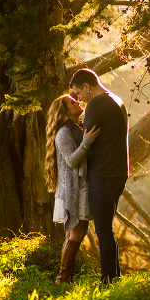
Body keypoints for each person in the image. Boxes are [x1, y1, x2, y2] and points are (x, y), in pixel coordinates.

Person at [69, 68, 129, 283]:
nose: (79, 99)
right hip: (117, 172)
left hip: (103, 173)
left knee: (103, 229)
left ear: (87, 86)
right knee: (107, 228)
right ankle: (114, 277)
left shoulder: (96, 103)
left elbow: (83, 139)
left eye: (78, 93)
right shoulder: (116, 100)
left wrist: (66, 122)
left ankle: (108, 280)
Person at [45, 94, 101, 286]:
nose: (77, 102)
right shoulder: (63, 133)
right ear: (65, 111)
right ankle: (63, 278)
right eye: (72, 102)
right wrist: (86, 142)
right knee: (76, 233)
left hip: (77, 187)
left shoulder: (74, 129)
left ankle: (65, 278)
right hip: (72, 189)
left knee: (75, 233)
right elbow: (71, 160)